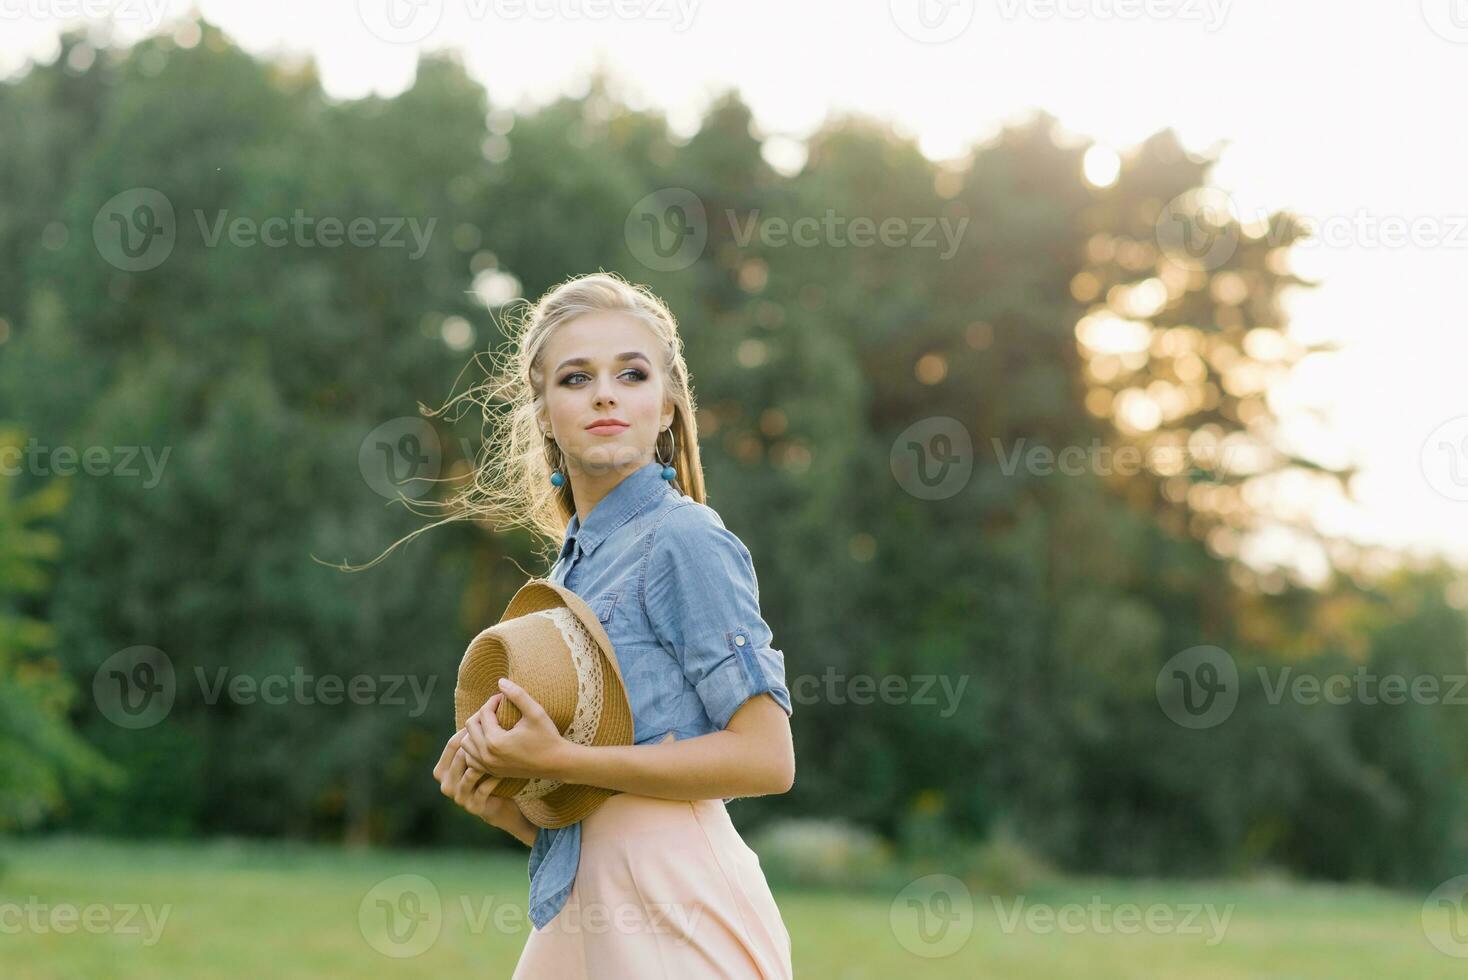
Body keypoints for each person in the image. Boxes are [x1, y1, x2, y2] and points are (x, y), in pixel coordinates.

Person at [430, 271, 796, 978]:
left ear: (666, 407)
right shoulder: (566, 576)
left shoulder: (685, 538)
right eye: (575, 378)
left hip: (682, 903)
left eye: (631, 374)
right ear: (541, 412)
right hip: (581, 910)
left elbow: (766, 758)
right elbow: (584, 810)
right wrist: (508, 798)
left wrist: (561, 763)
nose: (604, 393)